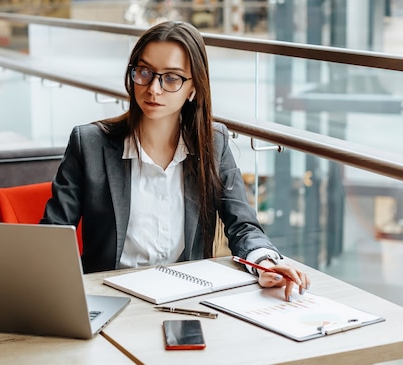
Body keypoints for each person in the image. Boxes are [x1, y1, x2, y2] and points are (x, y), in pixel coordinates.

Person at [40, 20, 309, 302]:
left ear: (193, 88)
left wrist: (264, 263)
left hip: (186, 297)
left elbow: (242, 225)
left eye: (171, 78)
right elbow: (53, 236)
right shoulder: (90, 143)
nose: (153, 89)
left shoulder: (212, 143)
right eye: (144, 72)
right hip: (108, 298)